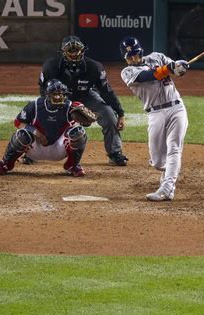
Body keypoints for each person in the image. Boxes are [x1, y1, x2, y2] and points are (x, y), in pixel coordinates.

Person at [31, 35, 128, 166]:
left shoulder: (94, 67)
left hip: (86, 95)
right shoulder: (51, 66)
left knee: (109, 115)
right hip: (58, 98)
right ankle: (32, 152)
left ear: (82, 51)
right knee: (44, 116)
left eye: (76, 50)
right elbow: (43, 90)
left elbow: (106, 92)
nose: (74, 53)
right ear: (63, 52)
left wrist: (120, 113)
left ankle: (115, 153)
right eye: (70, 50)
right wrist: (52, 108)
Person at [119, 37, 189, 201]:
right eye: (129, 57)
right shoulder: (127, 72)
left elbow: (176, 70)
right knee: (158, 161)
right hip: (155, 114)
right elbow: (148, 76)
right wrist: (169, 67)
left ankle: (167, 188)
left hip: (176, 108)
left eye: (135, 55)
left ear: (140, 51)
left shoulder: (157, 57)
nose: (133, 59)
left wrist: (180, 67)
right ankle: (170, 169)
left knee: (174, 149)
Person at [0, 79, 89, 177]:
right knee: (22, 135)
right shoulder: (35, 105)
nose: (58, 97)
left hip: (59, 149)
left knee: (78, 133)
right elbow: (18, 123)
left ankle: (72, 165)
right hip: (35, 149)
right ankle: (6, 164)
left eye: (61, 94)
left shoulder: (70, 107)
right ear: (47, 94)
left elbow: (85, 124)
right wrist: (37, 133)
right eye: (55, 94)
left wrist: (83, 115)